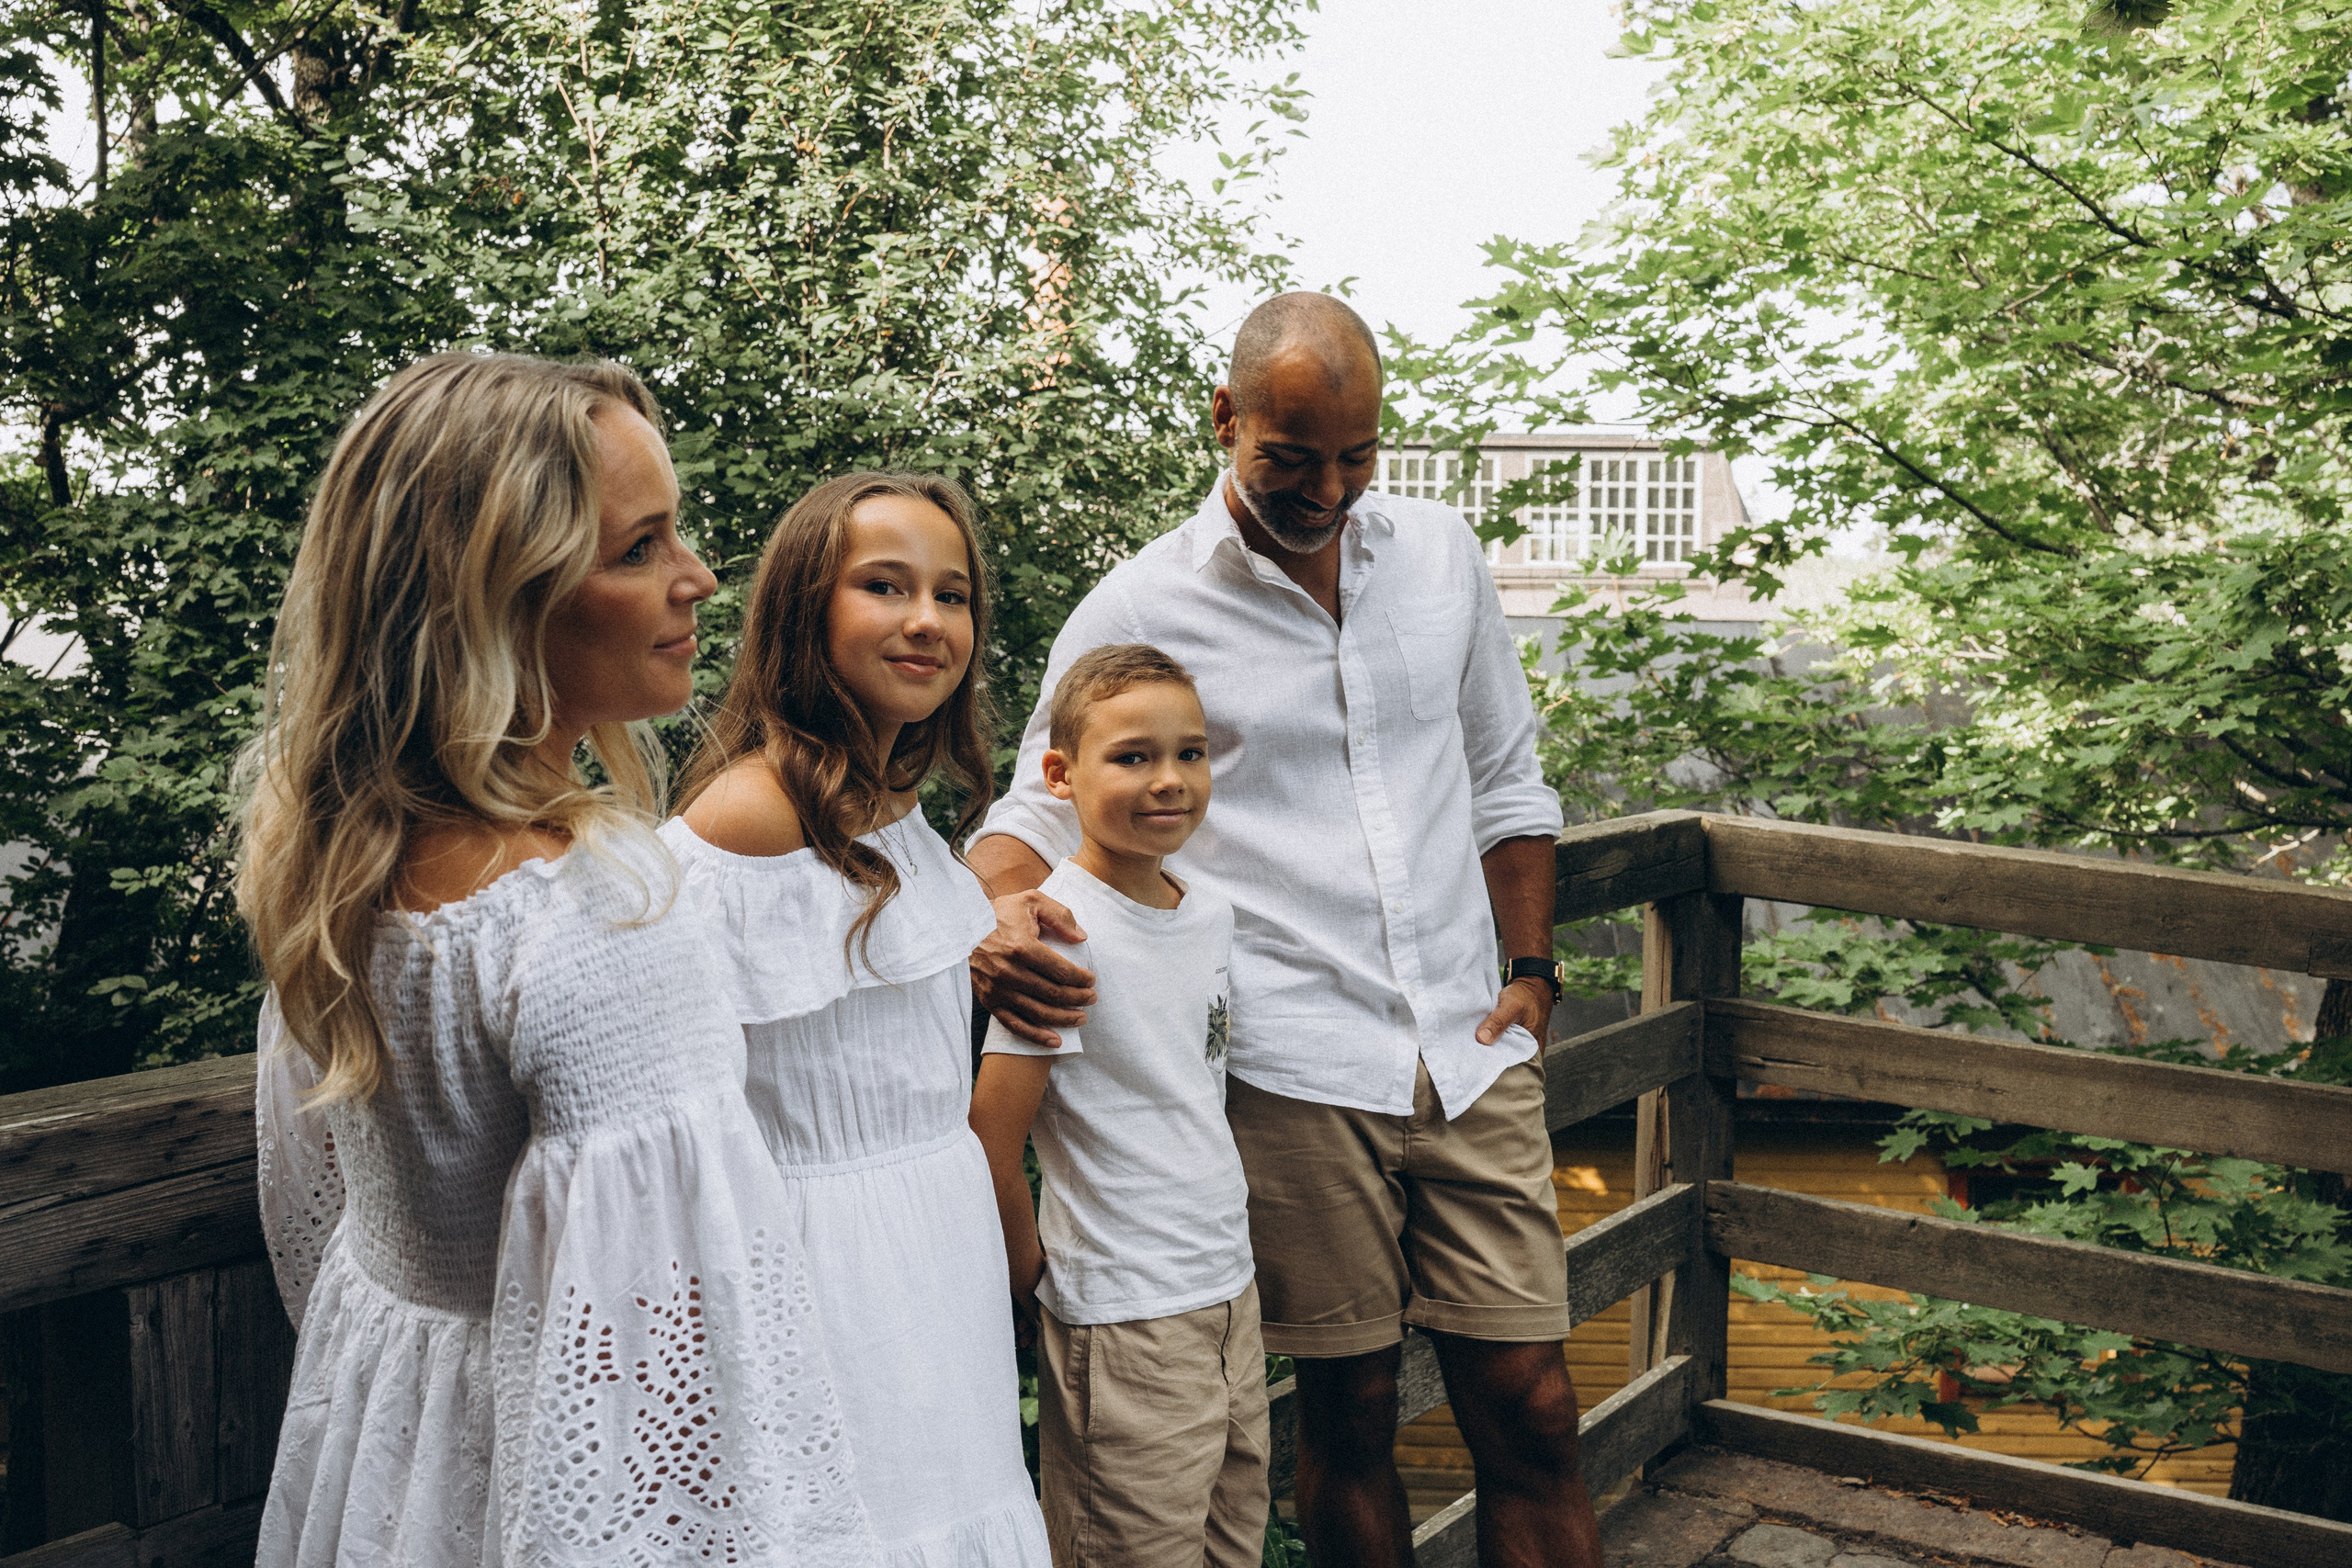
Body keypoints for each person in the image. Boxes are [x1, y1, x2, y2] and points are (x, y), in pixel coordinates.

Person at [968, 292, 1601, 1568]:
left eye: (1357, 455)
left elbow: (1507, 777)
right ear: (1226, 420)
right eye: (1293, 458)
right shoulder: (1141, 601)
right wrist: (992, 904)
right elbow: (1032, 804)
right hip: (1291, 1063)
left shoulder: (1437, 553)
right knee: (1350, 1410)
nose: (1329, 487)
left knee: (1532, 1398)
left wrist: (1531, 971)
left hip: (1470, 1046)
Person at [240, 352, 876, 1568]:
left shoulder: (333, 866)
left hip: (388, 1450)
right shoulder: (603, 922)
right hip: (540, 1487)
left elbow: (311, 1213)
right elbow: (687, 1385)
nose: (697, 580)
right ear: (496, 598)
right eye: (639, 547)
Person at [661, 473, 1051, 1568]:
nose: (929, 620)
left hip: (935, 1252)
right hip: (823, 1273)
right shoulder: (748, 817)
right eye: (885, 586)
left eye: (953, 594)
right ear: (805, 611)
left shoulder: (895, 804)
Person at [968, 644, 1267, 1568]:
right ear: (1058, 775)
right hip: (1123, 1311)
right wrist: (1026, 1282)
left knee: (1231, 1546)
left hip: (1226, 1294)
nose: (1168, 780)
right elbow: (993, 1137)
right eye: (1132, 757)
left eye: (1190, 754)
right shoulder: (1059, 930)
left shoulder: (1208, 911)